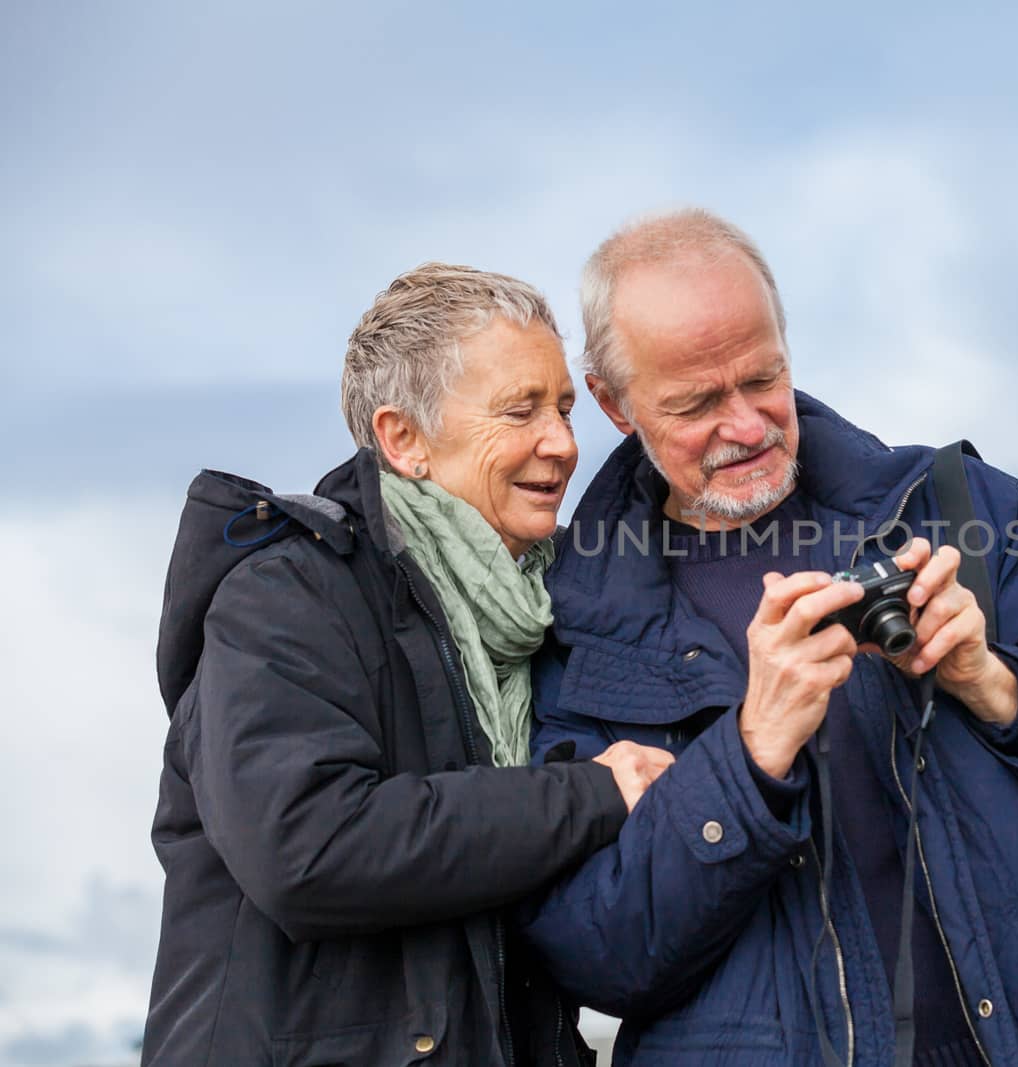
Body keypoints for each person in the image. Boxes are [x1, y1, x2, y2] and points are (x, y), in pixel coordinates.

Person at [518, 210, 1018, 1066]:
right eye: (696, 403)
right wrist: (752, 753)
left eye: (763, 378)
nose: (747, 425)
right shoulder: (576, 620)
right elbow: (591, 951)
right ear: (614, 404)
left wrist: (997, 685)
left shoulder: (962, 509)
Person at [141, 263, 674, 1066]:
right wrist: (594, 792)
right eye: (520, 410)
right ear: (403, 440)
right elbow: (306, 848)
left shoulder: (548, 617)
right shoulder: (286, 596)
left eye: (564, 406)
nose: (562, 442)